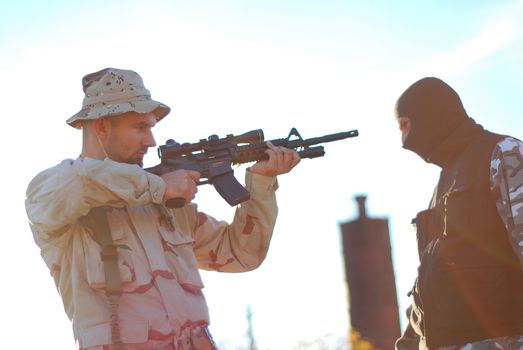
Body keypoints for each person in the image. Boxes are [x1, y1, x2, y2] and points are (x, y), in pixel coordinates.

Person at [25, 68, 301, 350]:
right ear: (102, 126)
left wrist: (262, 183)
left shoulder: (165, 207)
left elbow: (243, 254)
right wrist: (160, 187)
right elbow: (82, 179)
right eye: (140, 127)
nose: (151, 141)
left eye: (151, 128)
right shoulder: (51, 193)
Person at [394, 77, 523, 350]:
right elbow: (428, 287)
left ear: (431, 115)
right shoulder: (441, 186)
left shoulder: (504, 154)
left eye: (405, 125)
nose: (403, 141)